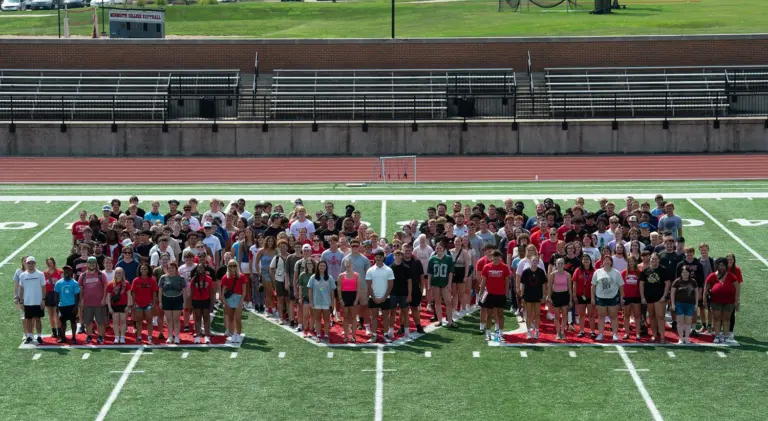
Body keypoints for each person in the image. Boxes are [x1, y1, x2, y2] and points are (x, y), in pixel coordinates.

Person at [479, 250, 511, 342]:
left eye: (498, 256)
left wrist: (506, 293)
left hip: (500, 294)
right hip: (490, 294)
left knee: (500, 314)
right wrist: (480, 293)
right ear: (492, 257)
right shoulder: (486, 267)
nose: (496, 258)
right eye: (494, 256)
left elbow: (507, 281)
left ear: (500, 257)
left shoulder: (505, 267)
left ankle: (500, 334)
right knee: (489, 314)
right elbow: (483, 281)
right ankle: (488, 333)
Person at [705, 258, 739, 344]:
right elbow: (706, 288)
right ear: (717, 266)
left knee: (726, 319)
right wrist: (704, 300)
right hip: (716, 301)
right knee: (717, 318)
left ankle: (726, 336)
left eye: (723, 265)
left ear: (726, 266)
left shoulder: (731, 276)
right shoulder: (712, 275)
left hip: (729, 302)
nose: (722, 267)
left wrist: (736, 300)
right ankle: (717, 336)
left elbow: (737, 288)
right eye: (720, 265)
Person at [591, 255, 624, 342]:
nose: (606, 261)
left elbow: (621, 286)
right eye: (605, 260)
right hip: (600, 297)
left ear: (611, 262)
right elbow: (593, 286)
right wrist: (593, 298)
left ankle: (615, 334)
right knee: (601, 316)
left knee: (613, 316)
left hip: (613, 297)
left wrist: (621, 298)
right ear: (602, 262)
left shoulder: (616, 273)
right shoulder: (597, 272)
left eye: (608, 260)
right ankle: (600, 334)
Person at [365, 250, 395, 343]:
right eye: (377, 257)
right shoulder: (370, 270)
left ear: (383, 258)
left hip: (386, 298)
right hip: (373, 298)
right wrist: (373, 297)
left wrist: (384, 297)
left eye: (380, 257)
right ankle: (374, 336)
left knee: (385, 317)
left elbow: (390, 285)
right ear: (375, 258)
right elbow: (368, 285)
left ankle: (385, 335)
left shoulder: (389, 270)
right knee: (374, 317)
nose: (378, 258)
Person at [640, 253, 670, 343]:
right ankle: (654, 335)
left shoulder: (664, 270)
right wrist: (642, 297)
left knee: (660, 317)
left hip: (659, 298)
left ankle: (662, 337)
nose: (654, 260)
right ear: (650, 259)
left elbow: (667, 283)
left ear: (659, 260)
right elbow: (641, 284)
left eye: (656, 259)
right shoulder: (645, 270)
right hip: (649, 297)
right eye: (652, 258)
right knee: (652, 316)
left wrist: (664, 296)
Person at [78, 256, 108, 344]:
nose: (92, 264)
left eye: (93, 263)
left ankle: (100, 337)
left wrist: (104, 299)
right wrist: (81, 300)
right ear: (87, 264)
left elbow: (106, 287)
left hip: (99, 302)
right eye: (90, 263)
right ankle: (89, 336)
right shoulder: (83, 275)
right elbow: (80, 289)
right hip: (87, 302)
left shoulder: (101, 275)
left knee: (100, 321)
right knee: (88, 321)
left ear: (96, 264)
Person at [427, 243, 456, 328]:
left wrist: (449, 284)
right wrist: (429, 284)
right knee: (437, 302)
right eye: (437, 248)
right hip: (435, 283)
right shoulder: (432, 259)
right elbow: (430, 273)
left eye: (440, 248)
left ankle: (450, 321)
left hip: (445, 283)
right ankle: (439, 321)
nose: (439, 249)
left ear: (443, 249)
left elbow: (450, 272)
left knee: (448, 302)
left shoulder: (448, 258)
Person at [19, 256, 46, 345]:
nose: (30, 264)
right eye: (29, 263)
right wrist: (21, 301)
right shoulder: (22, 275)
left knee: (38, 319)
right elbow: (21, 289)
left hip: (38, 301)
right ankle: (29, 336)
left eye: (32, 263)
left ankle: (39, 336)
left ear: (35, 263)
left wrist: (43, 300)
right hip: (27, 301)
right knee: (28, 319)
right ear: (26, 264)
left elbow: (43, 287)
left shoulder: (40, 274)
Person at [519, 256, 547, 340]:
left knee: (537, 314)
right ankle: (528, 332)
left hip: (538, 295)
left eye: (536, 260)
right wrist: (522, 296)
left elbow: (544, 285)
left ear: (538, 262)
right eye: (533, 260)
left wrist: (544, 295)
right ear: (530, 261)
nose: (534, 262)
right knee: (529, 314)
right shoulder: (525, 272)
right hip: (528, 295)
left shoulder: (541, 272)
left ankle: (536, 332)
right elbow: (523, 285)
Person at [159, 262, 187, 344]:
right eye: (169, 268)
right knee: (169, 319)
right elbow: (160, 291)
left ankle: (177, 336)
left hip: (177, 299)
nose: (170, 269)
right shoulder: (163, 277)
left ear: (176, 269)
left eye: (172, 268)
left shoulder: (181, 278)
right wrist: (160, 301)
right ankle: (170, 336)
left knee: (176, 319)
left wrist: (184, 302)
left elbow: (184, 291)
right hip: (166, 299)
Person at [308, 260, 336, 343]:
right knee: (317, 319)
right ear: (318, 267)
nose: (322, 267)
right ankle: (318, 335)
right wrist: (311, 301)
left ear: (326, 267)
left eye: (324, 266)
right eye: (320, 266)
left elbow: (332, 292)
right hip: (316, 301)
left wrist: (332, 303)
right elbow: (310, 290)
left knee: (326, 320)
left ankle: (326, 335)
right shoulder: (313, 277)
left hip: (327, 302)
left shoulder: (330, 278)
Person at [131, 263, 159, 344]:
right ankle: (139, 337)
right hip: (138, 304)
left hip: (149, 304)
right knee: (139, 321)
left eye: (145, 269)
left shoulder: (152, 280)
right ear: (139, 270)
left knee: (149, 321)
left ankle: (150, 337)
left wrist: (154, 303)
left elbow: (154, 292)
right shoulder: (136, 280)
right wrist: (133, 303)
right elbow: (133, 293)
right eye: (142, 269)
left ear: (148, 270)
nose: (143, 270)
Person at [402, 242, 426, 335]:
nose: (407, 252)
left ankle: (418, 326)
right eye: (406, 251)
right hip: (403, 290)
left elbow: (421, 277)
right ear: (402, 251)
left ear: (412, 251)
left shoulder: (417, 262)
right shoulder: (399, 262)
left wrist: (422, 289)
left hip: (415, 289)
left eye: (409, 250)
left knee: (414, 308)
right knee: (403, 309)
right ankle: (402, 327)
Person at [388, 250, 413, 339]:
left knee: (405, 313)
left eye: (399, 255)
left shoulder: (406, 267)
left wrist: (409, 294)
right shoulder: (389, 268)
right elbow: (388, 282)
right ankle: (391, 331)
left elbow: (409, 282)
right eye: (396, 255)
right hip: (393, 293)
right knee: (392, 313)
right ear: (393, 256)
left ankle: (407, 332)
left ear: (401, 256)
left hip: (403, 294)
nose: (397, 256)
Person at [671, 266, 699, 344]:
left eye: (686, 272)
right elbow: (672, 293)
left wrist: (696, 304)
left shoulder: (693, 281)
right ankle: (681, 338)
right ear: (681, 273)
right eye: (683, 272)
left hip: (690, 304)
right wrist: (673, 304)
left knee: (688, 322)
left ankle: (686, 338)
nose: (685, 274)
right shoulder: (677, 281)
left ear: (689, 273)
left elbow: (697, 293)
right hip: (679, 304)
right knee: (680, 322)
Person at [221, 259, 247, 344]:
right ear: (228, 267)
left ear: (237, 266)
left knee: (238, 318)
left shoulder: (242, 276)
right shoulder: (225, 277)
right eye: (230, 266)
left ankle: (238, 334)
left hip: (238, 298)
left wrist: (241, 300)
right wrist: (224, 301)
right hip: (229, 299)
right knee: (230, 318)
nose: (232, 267)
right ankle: (232, 335)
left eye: (234, 265)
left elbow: (244, 291)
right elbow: (223, 291)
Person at [54, 266, 80, 344]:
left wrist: (76, 307)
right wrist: (57, 306)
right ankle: (63, 338)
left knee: (73, 322)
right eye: (65, 271)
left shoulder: (74, 283)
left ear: (71, 272)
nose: (66, 272)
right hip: (62, 306)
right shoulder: (59, 283)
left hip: (72, 306)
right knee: (62, 323)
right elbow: (56, 295)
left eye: (68, 271)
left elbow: (77, 296)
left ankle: (74, 337)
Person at [547, 258, 572, 340]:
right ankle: (558, 332)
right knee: (557, 315)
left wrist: (570, 300)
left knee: (565, 315)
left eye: (562, 263)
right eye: (558, 263)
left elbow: (570, 288)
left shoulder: (568, 275)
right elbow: (550, 287)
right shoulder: (552, 274)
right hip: (556, 296)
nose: (560, 265)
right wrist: (549, 296)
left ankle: (562, 332)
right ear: (556, 265)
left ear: (564, 265)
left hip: (565, 296)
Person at [270, 239, 293, 326]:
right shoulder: (276, 258)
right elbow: (271, 268)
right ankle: (280, 318)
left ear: (287, 247)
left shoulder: (291, 257)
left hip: (289, 281)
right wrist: (274, 279)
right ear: (279, 248)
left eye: (284, 246)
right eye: (281, 247)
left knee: (288, 299)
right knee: (280, 299)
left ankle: (290, 318)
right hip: (279, 280)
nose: (283, 248)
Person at [572, 254, 596, 338]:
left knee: (591, 314)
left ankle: (592, 331)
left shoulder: (594, 271)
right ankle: (581, 331)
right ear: (581, 261)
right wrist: (574, 295)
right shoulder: (578, 270)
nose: (585, 261)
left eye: (587, 259)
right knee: (581, 314)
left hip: (590, 296)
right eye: (584, 259)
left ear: (590, 261)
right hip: (581, 295)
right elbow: (574, 284)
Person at [189, 265, 214, 344]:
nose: (200, 269)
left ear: (204, 269)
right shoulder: (194, 279)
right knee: (197, 319)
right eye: (199, 268)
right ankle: (198, 336)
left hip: (206, 300)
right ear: (197, 269)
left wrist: (211, 304)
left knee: (206, 318)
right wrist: (191, 305)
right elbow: (191, 293)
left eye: (202, 268)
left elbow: (211, 292)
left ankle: (206, 336)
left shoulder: (209, 279)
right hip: (196, 301)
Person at [255, 236, 278, 318]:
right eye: (269, 241)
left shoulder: (276, 251)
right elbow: (256, 263)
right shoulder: (261, 251)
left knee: (269, 293)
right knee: (270, 292)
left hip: (274, 273)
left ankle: (268, 309)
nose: (270, 243)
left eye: (272, 241)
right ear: (266, 242)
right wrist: (259, 273)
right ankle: (273, 309)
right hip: (264, 273)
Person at [107, 267, 131, 344]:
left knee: (123, 321)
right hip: (114, 306)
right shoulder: (111, 284)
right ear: (115, 274)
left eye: (120, 273)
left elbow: (129, 295)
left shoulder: (126, 283)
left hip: (124, 305)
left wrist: (128, 306)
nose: (118, 274)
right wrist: (109, 307)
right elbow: (108, 297)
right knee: (115, 322)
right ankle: (117, 337)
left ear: (123, 274)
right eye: (117, 273)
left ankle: (122, 337)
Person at [621, 256, 643, 341]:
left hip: (636, 296)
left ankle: (638, 333)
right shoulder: (624, 273)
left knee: (637, 315)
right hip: (627, 297)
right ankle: (627, 333)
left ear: (635, 262)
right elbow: (621, 285)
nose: (631, 263)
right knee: (626, 315)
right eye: (630, 261)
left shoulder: (639, 273)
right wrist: (622, 296)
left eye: (633, 261)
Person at [450, 236, 471, 317]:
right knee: (454, 293)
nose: (457, 243)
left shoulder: (464, 252)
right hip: (453, 274)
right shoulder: (450, 251)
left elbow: (467, 265)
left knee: (462, 293)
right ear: (454, 242)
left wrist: (466, 276)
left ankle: (463, 308)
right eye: (456, 241)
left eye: (459, 241)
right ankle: (454, 309)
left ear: (461, 242)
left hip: (461, 273)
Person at [43, 257, 63, 339]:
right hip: (48, 294)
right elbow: (43, 285)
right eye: (48, 263)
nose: (50, 264)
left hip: (56, 294)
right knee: (50, 314)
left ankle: (59, 331)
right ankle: (54, 331)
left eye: (51, 262)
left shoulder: (59, 272)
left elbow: (62, 284)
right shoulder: (44, 273)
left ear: (54, 262)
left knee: (57, 314)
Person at [725, 253, 742, 342]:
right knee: (723, 314)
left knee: (731, 314)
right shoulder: (723, 268)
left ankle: (730, 331)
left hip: (732, 295)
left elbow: (738, 284)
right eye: (728, 259)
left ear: (734, 260)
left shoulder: (737, 269)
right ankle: (724, 331)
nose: (730, 261)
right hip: (723, 294)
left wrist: (737, 298)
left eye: (731, 259)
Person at [297, 259, 316, 336]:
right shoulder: (302, 275)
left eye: (311, 263)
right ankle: (305, 329)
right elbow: (300, 287)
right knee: (305, 315)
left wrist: (321, 293)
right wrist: (300, 297)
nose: (309, 265)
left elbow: (320, 287)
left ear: (313, 265)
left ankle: (311, 330)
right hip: (305, 297)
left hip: (315, 298)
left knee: (313, 314)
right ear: (306, 265)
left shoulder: (316, 275)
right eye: (308, 263)